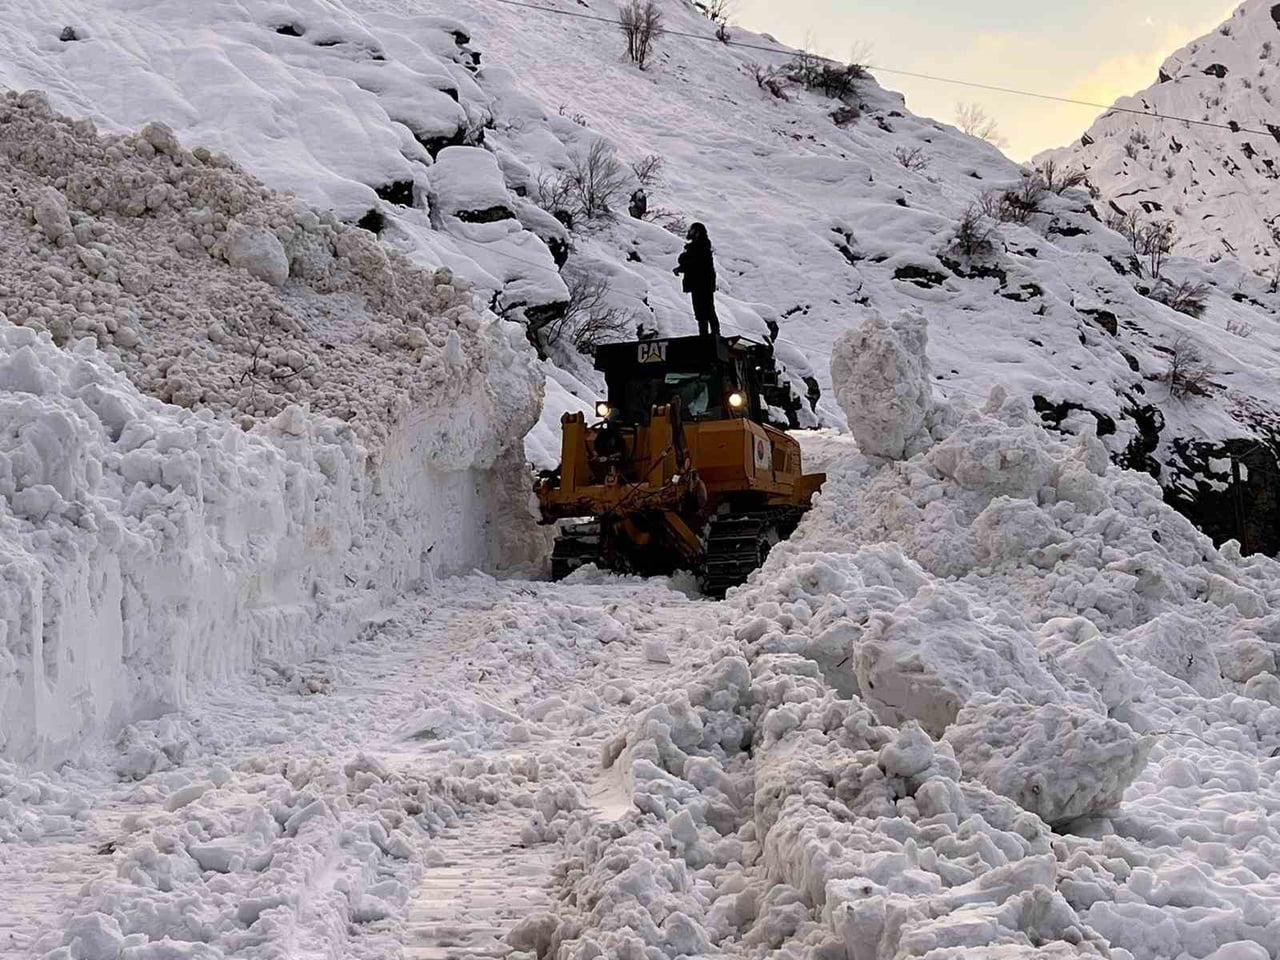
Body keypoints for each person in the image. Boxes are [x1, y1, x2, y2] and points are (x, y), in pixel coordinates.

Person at [673, 222, 720, 337]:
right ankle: (707, 334)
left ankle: (712, 334)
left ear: (697, 232)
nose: (690, 232)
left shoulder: (699, 246)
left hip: (701, 283)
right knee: (702, 310)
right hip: (700, 283)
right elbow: (691, 263)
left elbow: (693, 263)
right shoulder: (699, 247)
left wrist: (682, 263)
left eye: (692, 230)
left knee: (706, 309)